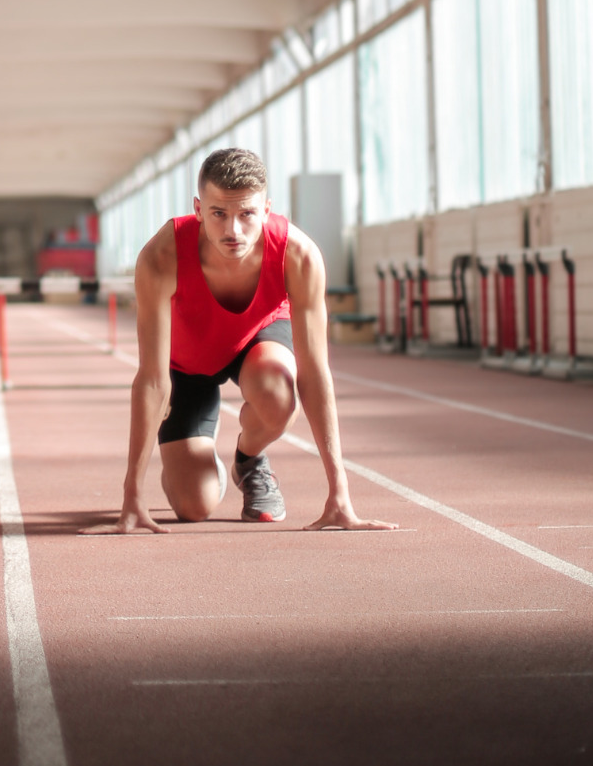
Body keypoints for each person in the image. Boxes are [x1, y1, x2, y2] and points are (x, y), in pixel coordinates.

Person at [85, 148, 396, 534]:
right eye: (219, 214)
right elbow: (152, 379)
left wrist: (340, 493)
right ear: (198, 209)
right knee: (193, 506)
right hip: (187, 365)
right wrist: (132, 494)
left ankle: (249, 459)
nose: (233, 231)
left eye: (246, 214)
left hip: (258, 342)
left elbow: (315, 374)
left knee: (279, 395)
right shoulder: (161, 257)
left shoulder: (298, 256)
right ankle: (198, 461)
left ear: (266, 209)